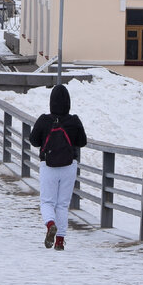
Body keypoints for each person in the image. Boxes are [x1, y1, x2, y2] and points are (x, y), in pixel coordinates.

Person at [29, 84, 89, 251]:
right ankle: (60, 241)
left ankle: (50, 225)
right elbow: (82, 142)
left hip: (48, 165)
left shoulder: (44, 120)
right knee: (62, 204)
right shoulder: (74, 120)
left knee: (47, 201)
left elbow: (33, 141)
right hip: (69, 165)